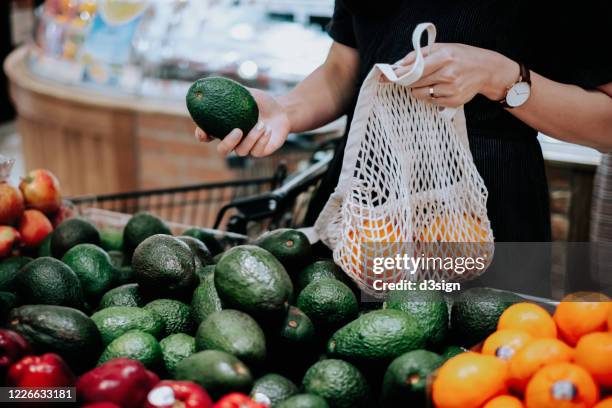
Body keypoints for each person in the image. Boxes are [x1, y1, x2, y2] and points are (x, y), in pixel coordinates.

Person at [195, 0, 612, 242]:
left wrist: (499, 77)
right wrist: (285, 111)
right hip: (359, 197)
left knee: (474, 380)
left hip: (486, 210)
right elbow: (344, 68)